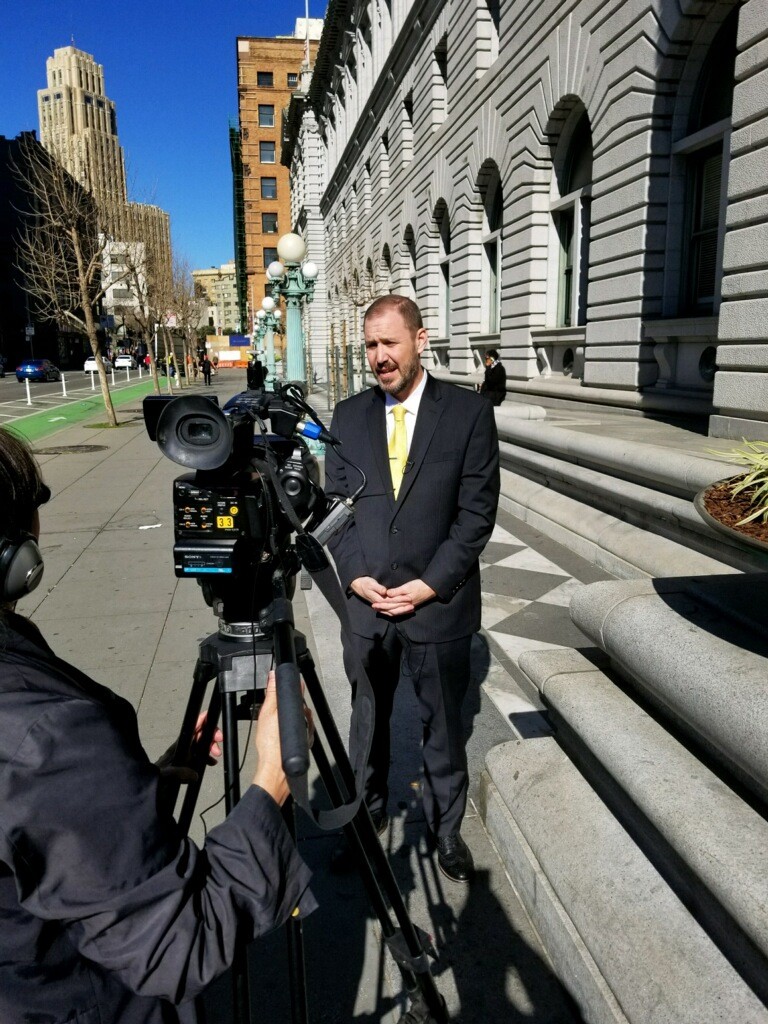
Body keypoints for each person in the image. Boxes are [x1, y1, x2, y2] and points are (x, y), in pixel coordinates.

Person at [0, 427, 316, 1023]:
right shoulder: (44, 731)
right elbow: (183, 941)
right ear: (13, 555)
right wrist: (271, 782)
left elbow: (32, 832)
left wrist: (135, 787)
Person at [324, 294, 500, 883]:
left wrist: (428, 586)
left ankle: (446, 830)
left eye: (389, 343)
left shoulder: (469, 414)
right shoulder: (347, 419)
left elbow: (475, 518)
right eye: (370, 346)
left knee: (446, 726)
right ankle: (364, 816)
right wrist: (353, 575)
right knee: (366, 723)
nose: (378, 357)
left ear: (420, 340)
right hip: (368, 606)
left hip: (438, 606)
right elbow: (334, 510)